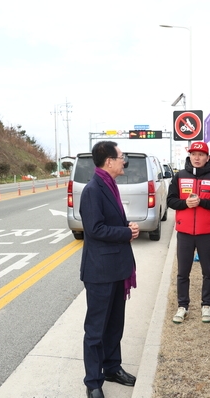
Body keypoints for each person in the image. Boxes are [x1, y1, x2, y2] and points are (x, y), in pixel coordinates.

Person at [79, 141, 139, 398]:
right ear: (108, 161)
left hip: (117, 267)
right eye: (121, 157)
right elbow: (95, 229)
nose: (124, 161)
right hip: (100, 271)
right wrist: (126, 232)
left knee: (115, 324)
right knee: (96, 330)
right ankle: (93, 382)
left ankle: (112, 367)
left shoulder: (110, 185)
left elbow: (111, 221)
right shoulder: (93, 190)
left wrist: (127, 228)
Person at [167, 141, 210, 324]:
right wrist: (185, 203)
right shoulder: (179, 176)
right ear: (189, 156)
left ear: (207, 158)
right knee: (182, 272)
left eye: (201, 155)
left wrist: (202, 202)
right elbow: (170, 200)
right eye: (194, 154)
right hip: (184, 232)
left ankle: (206, 305)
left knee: (208, 272)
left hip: (206, 233)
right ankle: (182, 306)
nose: (197, 158)